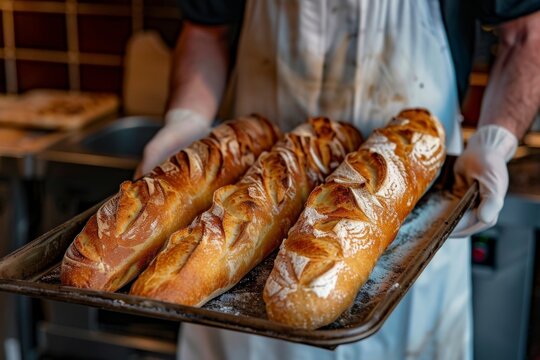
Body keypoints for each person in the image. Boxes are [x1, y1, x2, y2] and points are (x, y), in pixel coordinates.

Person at [137, 1, 540, 359]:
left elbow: (526, 32)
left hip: (414, 210)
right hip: (265, 165)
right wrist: (186, 120)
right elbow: (206, 30)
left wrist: (496, 139)